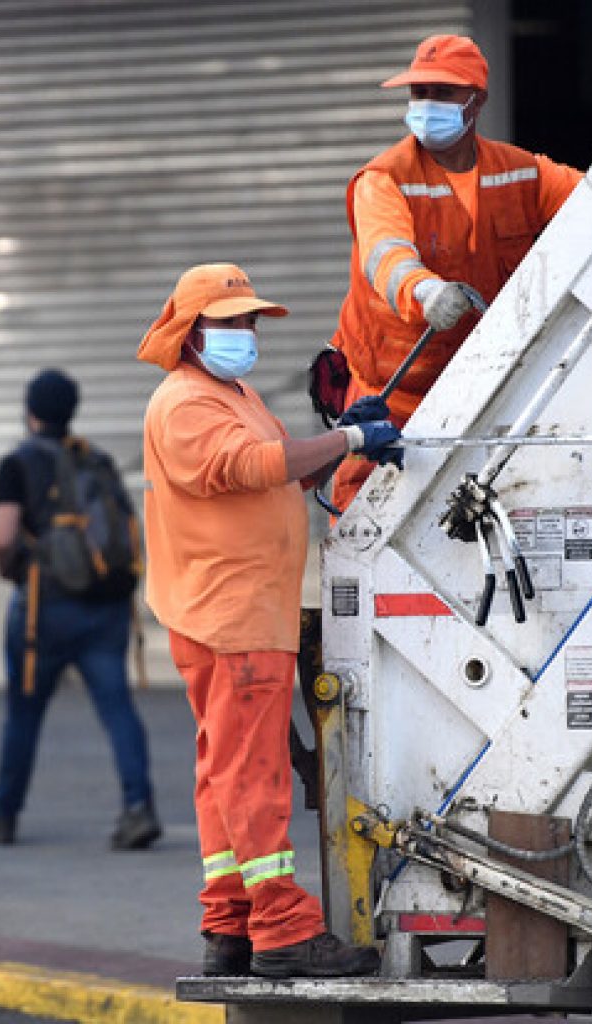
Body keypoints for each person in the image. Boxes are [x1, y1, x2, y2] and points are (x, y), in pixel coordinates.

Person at [138, 263, 396, 978]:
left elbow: (284, 469)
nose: (247, 332)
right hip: (231, 616)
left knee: (224, 770)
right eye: (231, 322)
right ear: (191, 332)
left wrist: (343, 434)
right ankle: (282, 928)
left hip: (240, 612)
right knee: (254, 774)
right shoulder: (185, 403)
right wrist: (350, 444)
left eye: (251, 320)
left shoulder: (235, 395)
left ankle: (229, 925)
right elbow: (249, 467)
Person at [330, 33, 583, 510]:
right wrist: (424, 291)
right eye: (419, 92)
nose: (426, 103)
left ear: (476, 101)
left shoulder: (522, 172)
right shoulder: (384, 179)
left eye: (442, 92)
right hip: (395, 395)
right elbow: (385, 255)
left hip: (487, 387)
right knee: (368, 518)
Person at [0, 368, 161, 850]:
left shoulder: (18, 463)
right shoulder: (96, 459)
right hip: (106, 606)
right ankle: (138, 807)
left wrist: (10, 571)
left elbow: (3, 536)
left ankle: (3, 814)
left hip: (44, 608)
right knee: (118, 708)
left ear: (30, 411)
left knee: (24, 713)